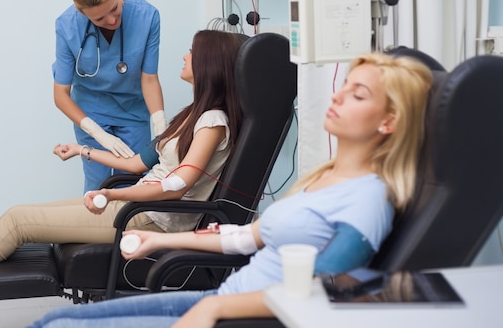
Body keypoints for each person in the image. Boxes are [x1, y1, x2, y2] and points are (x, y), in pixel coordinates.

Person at [23, 52, 434, 328]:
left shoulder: (367, 200)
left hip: (242, 315)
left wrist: (216, 306)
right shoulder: (322, 178)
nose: (338, 96)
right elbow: (244, 237)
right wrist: (154, 239)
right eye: (344, 85)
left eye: (358, 94)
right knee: (50, 322)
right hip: (226, 298)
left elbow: (324, 289)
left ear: (389, 123)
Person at [0, 30, 245, 325]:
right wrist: (82, 150)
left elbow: (177, 184)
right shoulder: (191, 115)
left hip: (149, 220)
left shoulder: (213, 121)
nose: (185, 56)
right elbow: (135, 163)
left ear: (209, 64)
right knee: (16, 215)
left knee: (19, 221)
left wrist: (116, 198)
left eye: (192, 52)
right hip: (136, 205)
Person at [54, 0, 166, 193]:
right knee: (98, 185)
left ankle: (131, 230)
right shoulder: (67, 26)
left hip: (132, 110)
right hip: (90, 111)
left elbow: (150, 79)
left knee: (136, 181)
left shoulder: (147, 16)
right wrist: (97, 133)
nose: (112, 20)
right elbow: (60, 94)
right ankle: (97, 228)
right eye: (99, 19)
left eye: (114, 9)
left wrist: (161, 126)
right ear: (81, 12)